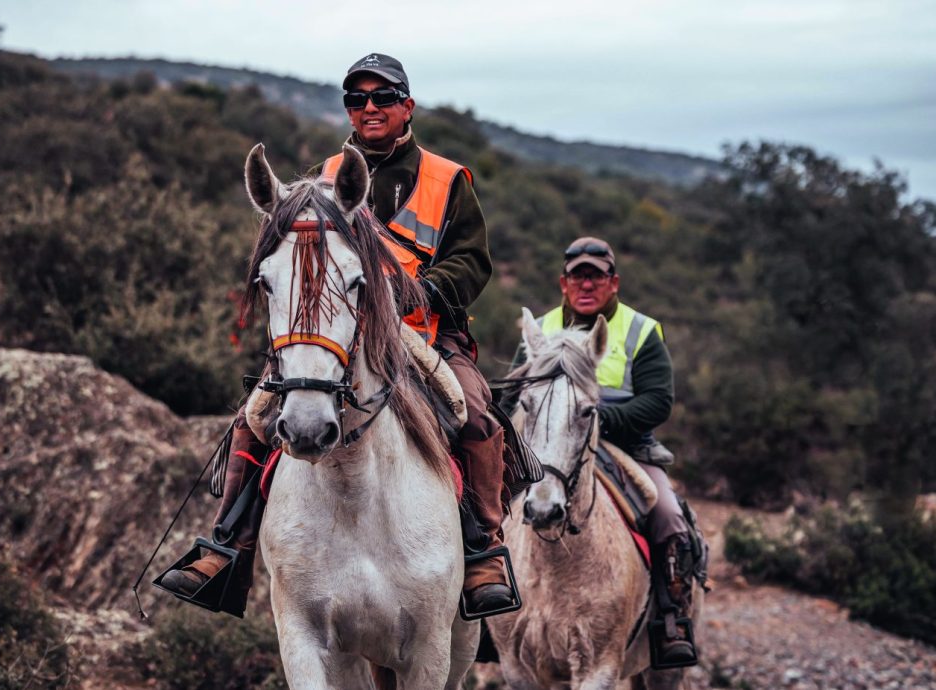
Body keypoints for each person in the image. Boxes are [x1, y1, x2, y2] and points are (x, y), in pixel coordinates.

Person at [160, 53, 514, 617]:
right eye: (357, 99)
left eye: (382, 97)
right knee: (255, 418)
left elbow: (473, 262)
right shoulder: (323, 176)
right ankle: (226, 546)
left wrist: (412, 292)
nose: (369, 108)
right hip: (335, 334)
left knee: (473, 412)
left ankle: (483, 553)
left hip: (422, 330)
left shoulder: (449, 179)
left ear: (407, 106)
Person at [524, 236, 699, 667]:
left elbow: (659, 399)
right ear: (562, 283)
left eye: (596, 277)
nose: (587, 285)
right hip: (550, 448)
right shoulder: (541, 330)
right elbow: (520, 396)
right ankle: (490, 607)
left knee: (668, 515)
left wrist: (598, 420)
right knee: (488, 506)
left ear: (613, 282)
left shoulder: (640, 330)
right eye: (578, 277)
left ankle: (671, 616)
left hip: (626, 447)